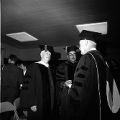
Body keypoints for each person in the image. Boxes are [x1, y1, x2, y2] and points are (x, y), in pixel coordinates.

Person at [66, 30, 114, 120]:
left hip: (89, 108)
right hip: (102, 107)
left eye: (80, 44)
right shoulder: (102, 59)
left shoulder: (87, 58)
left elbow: (79, 89)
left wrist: (71, 90)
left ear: (86, 42)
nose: (79, 48)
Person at [20, 45, 54, 120]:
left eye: (49, 54)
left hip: (48, 102)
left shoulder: (50, 68)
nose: (48, 55)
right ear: (41, 54)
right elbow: (28, 86)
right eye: (46, 53)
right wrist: (32, 103)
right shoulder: (33, 67)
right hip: (37, 102)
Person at [55, 45, 80, 119]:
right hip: (67, 95)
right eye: (70, 54)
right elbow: (57, 81)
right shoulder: (62, 66)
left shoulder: (80, 65)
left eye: (74, 54)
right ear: (67, 56)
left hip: (79, 94)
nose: (73, 56)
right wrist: (64, 83)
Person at [1, 54, 23, 120]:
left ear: (9, 60)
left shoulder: (3, 67)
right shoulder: (19, 70)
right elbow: (21, 82)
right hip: (13, 92)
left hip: (2, 90)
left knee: (2, 107)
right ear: (15, 61)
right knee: (9, 108)